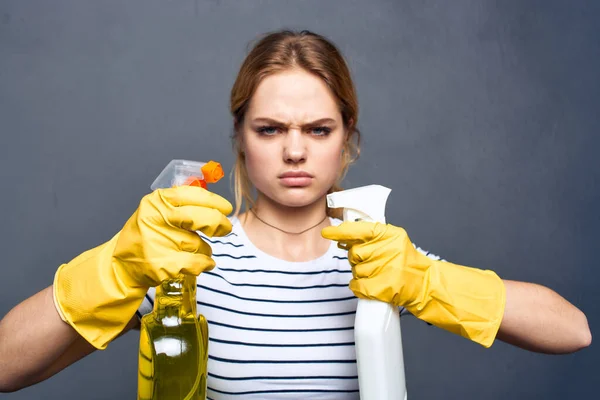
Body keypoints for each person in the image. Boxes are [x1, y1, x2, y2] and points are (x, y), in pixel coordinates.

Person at [0, 30, 591, 398]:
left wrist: (425, 279)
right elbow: (7, 368)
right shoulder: (181, 261)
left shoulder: (378, 263)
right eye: (270, 129)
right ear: (240, 137)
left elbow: (573, 331)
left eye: (318, 128)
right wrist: (115, 268)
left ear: (347, 139)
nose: (294, 150)